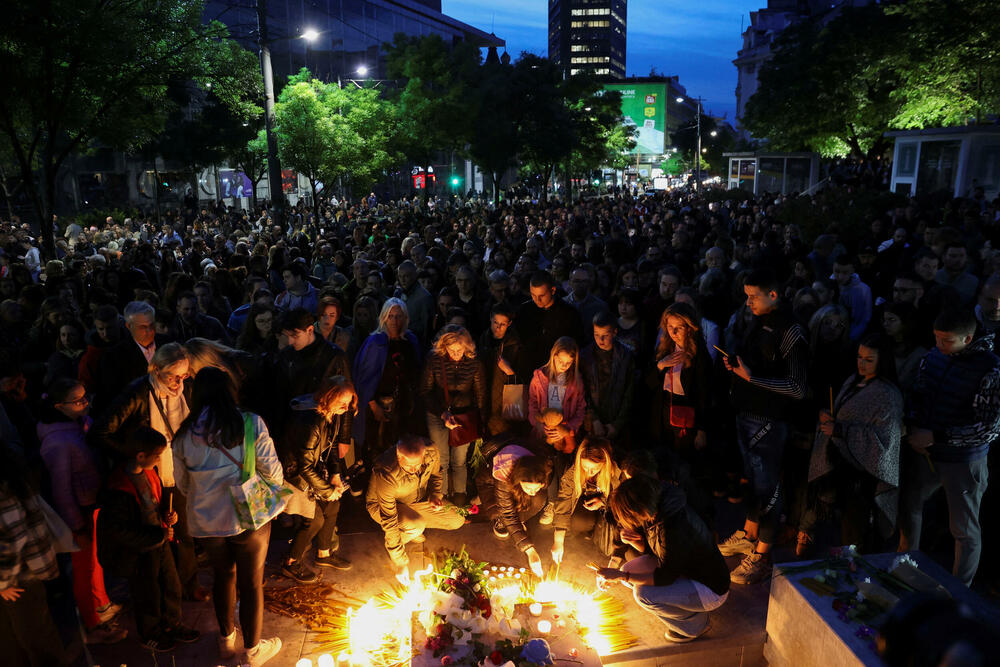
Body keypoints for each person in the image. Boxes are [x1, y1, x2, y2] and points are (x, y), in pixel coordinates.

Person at [171, 367, 284, 665]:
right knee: (251, 584)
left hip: (206, 521)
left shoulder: (183, 435)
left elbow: (182, 483)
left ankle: (225, 641)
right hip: (247, 518)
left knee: (222, 577)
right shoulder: (249, 423)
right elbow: (273, 473)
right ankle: (253, 651)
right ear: (229, 391)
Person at [90, 342, 206, 601]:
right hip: (152, 474)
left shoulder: (186, 390)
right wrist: (137, 457)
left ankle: (188, 583)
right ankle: (162, 593)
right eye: (171, 376)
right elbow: (101, 431)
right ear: (155, 369)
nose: (178, 383)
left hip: (181, 469)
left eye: (183, 376)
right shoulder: (138, 392)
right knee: (157, 535)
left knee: (185, 529)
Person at [719, 269, 808, 585]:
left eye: (753, 295)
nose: (748, 301)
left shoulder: (791, 331)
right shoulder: (759, 321)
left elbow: (797, 386)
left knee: (768, 487)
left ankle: (761, 556)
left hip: (769, 421)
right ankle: (749, 533)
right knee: (754, 483)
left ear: (773, 294)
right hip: (747, 412)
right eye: (746, 294)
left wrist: (752, 378)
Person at [899, 308, 1000, 586]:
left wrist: (936, 435)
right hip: (926, 452)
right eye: (936, 338)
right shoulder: (932, 357)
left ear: (967, 339)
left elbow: (989, 428)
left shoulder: (989, 369)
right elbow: (919, 392)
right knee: (911, 508)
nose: (939, 345)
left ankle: (959, 591)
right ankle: (904, 568)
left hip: (963, 461)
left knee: (964, 529)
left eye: (947, 340)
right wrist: (913, 424)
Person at [37, 378, 126, 644]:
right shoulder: (58, 443)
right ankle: (92, 625)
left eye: (86, 397)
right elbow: (61, 490)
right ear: (58, 406)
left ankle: (101, 604)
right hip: (81, 511)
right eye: (78, 400)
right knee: (84, 568)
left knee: (95, 562)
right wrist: (76, 526)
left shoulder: (79, 425)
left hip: (93, 502)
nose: (85, 403)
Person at [96, 427, 201, 652]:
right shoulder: (118, 487)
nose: (159, 459)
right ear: (140, 456)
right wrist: (157, 535)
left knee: (171, 584)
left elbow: (157, 501)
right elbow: (120, 530)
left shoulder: (150, 473)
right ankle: (149, 633)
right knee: (147, 592)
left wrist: (168, 514)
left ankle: (172, 623)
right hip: (138, 550)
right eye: (157, 455)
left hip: (159, 541)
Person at [798, 334, 903, 556]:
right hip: (838, 459)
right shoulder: (853, 381)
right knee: (822, 499)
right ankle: (806, 536)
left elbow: (885, 440)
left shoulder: (887, 394)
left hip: (862, 469)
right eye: (859, 357)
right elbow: (843, 413)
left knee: (855, 520)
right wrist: (828, 418)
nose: (861, 363)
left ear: (882, 361)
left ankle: (854, 562)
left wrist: (841, 430)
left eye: (869, 359)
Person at [598, 475, 729, 643]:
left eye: (627, 516)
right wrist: (637, 542)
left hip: (710, 589)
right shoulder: (657, 506)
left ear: (637, 510)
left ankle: (695, 625)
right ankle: (685, 604)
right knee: (628, 572)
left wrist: (622, 576)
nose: (627, 522)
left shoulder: (673, 525)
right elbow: (661, 554)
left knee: (643, 594)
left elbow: (665, 576)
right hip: (685, 570)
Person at [281, 376, 356, 583]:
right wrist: (327, 490)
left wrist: (335, 474)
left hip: (313, 469)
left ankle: (324, 554)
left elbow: (331, 445)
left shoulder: (333, 414)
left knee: (332, 507)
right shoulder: (310, 421)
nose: (345, 406)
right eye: (342, 401)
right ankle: (290, 562)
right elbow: (303, 465)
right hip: (294, 475)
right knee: (314, 519)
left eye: (348, 402)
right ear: (328, 396)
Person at [0, 441, 69, 666]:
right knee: (22, 641)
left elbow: (12, 538)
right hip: (19, 577)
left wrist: (2, 582)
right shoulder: (13, 475)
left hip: (17, 580)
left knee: (35, 642)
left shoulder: (4, 489)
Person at [366, 436, 465, 585]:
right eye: (408, 466)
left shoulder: (431, 451)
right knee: (416, 525)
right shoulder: (386, 471)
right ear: (399, 457)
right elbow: (389, 516)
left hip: (416, 500)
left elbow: (436, 475)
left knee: (457, 519)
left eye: (417, 465)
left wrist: (434, 495)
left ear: (424, 453)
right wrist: (400, 562)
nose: (413, 470)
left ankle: (412, 529)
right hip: (383, 506)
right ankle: (400, 539)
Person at [419, 325, 486, 506]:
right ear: (444, 347)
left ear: (467, 347)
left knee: (459, 460)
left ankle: (459, 496)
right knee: (441, 460)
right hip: (438, 413)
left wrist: (481, 421)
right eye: (452, 350)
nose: (456, 353)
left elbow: (480, 394)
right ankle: (441, 497)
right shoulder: (434, 360)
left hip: (463, 416)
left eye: (460, 349)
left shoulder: (474, 363)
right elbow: (425, 391)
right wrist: (442, 413)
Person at [352, 299, 422, 462]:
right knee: (376, 446)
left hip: (403, 403)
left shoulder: (410, 341)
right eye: (390, 316)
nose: (395, 320)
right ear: (384, 317)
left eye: (398, 316)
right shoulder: (376, 342)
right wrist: (373, 405)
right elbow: (364, 379)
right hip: (378, 403)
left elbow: (415, 371)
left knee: (399, 444)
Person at [528, 336, 587, 523]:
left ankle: (557, 505)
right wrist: (539, 424)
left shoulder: (576, 382)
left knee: (561, 467)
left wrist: (567, 430)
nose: (564, 365)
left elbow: (580, 410)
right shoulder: (539, 377)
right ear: (553, 356)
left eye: (569, 363)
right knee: (546, 466)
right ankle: (547, 503)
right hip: (543, 432)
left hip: (564, 437)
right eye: (560, 361)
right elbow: (532, 404)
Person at [475, 439, 553, 577]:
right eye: (528, 488)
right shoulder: (504, 473)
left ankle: (518, 524)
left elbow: (537, 489)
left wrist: (531, 492)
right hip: (490, 485)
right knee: (501, 513)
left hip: (515, 485)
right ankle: (499, 519)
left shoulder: (541, 468)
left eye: (536, 488)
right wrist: (530, 551)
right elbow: (508, 514)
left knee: (538, 500)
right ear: (519, 480)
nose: (532, 492)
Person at [647, 303, 712, 462]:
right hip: (663, 409)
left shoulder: (699, 357)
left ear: (690, 328)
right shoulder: (664, 349)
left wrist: (702, 430)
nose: (673, 332)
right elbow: (648, 383)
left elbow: (705, 396)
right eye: (670, 326)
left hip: (686, 415)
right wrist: (661, 365)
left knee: (682, 461)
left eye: (679, 328)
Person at [551, 438, 623, 564]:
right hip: (587, 503)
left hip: (608, 505)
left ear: (605, 463)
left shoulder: (617, 471)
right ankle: (590, 528)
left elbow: (621, 497)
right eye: (584, 467)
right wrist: (558, 542)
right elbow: (564, 500)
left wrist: (603, 501)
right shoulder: (573, 472)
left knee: (611, 543)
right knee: (580, 523)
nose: (589, 472)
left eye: (594, 469)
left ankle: (597, 528)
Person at [96, 300, 169, 412]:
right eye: (143, 327)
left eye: (151, 325)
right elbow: (114, 396)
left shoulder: (169, 344)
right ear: (129, 326)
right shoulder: (114, 357)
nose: (149, 331)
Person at [580, 312, 635, 450]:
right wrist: (594, 419)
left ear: (615, 332)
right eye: (597, 335)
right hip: (592, 423)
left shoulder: (626, 356)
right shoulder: (586, 356)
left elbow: (630, 392)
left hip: (618, 421)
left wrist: (617, 424)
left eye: (605, 335)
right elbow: (582, 391)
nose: (601, 339)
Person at [516, 270, 583, 376]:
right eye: (533, 295)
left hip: (558, 373)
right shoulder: (524, 311)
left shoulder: (569, 314)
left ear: (552, 290)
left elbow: (577, 344)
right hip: (528, 372)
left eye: (542, 295)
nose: (537, 299)